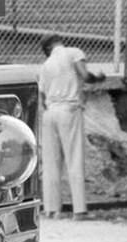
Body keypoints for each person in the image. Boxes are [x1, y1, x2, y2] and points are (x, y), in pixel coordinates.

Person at [38, 34, 102, 220]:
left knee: (51, 162)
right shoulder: (73, 52)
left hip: (50, 112)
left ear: (47, 49)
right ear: (58, 42)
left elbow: (42, 96)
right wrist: (98, 78)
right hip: (69, 109)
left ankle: (51, 210)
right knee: (74, 158)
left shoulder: (45, 65)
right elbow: (85, 75)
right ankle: (79, 210)